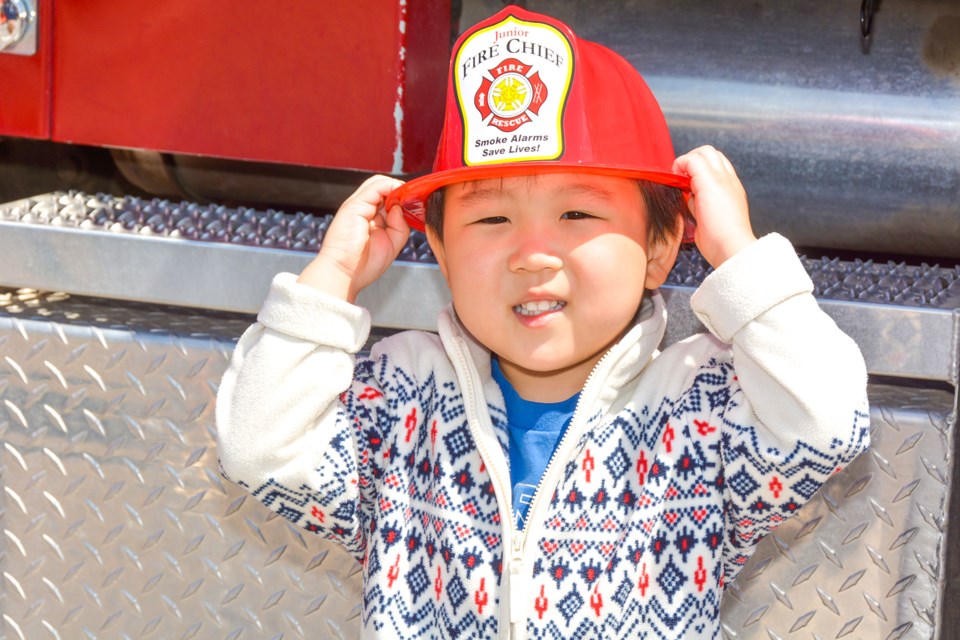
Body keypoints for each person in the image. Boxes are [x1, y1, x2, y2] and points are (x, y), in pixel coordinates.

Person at [216, 5, 869, 639]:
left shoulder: (698, 410)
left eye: (577, 216)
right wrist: (331, 281)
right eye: (491, 220)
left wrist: (741, 256)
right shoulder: (402, 398)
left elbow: (826, 426)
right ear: (440, 252)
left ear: (658, 249)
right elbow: (261, 449)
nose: (531, 256)